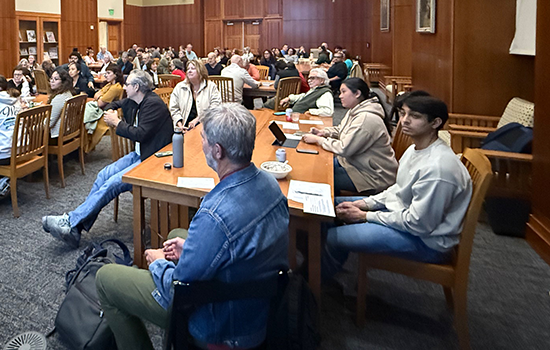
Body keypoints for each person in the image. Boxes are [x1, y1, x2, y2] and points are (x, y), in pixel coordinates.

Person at [95, 104, 290, 350]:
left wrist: (158, 264)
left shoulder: (214, 213)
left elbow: (178, 286)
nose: (202, 145)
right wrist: (189, 248)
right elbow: (237, 244)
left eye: (204, 139)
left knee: (106, 279)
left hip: (221, 325)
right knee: (177, 235)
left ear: (217, 151)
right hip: (258, 308)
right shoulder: (271, 184)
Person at [322, 94, 472, 281]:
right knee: (325, 207)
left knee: (331, 237)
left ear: (435, 123)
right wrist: (365, 203)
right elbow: (398, 189)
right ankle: (322, 268)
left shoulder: (438, 169)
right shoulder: (415, 148)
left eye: (415, 116)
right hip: (404, 214)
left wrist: (365, 215)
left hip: (426, 241)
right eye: (402, 113)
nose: (404, 121)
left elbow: (418, 224)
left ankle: (318, 283)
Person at [42, 70, 173, 247]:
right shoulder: (138, 99)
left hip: (152, 159)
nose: (124, 87)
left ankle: (71, 223)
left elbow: (140, 134)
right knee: (103, 175)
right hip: (140, 153)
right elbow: (118, 103)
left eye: (128, 84)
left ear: (136, 87)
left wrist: (117, 122)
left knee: (112, 183)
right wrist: (112, 109)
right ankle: (76, 228)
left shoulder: (152, 104)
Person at [301, 78, 397, 193]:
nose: (340, 96)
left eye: (343, 92)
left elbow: (343, 148)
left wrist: (318, 140)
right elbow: (341, 130)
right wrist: (324, 132)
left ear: (357, 93)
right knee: (315, 168)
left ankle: (330, 205)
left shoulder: (365, 119)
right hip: (355, 164)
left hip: (372, 176)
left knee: (319, 178)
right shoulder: (355, 110)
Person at [169, 59, 222, 131]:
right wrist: (179, 124)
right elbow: (173, 108)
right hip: (184, 127)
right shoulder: (179, 87)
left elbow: (215, 107)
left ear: (200, 71)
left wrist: (198, 120)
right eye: (188, 69)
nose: (189, 71)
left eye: (193, 68)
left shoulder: (210, 86)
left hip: (205, 126)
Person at [87, 65, 125, 149]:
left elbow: (100, 103)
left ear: (115, 74)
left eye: (108, 73)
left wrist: (99, 96)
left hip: (107, 113)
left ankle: (85, 146)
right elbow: (95, 95)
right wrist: (99, 96)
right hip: (100, 109)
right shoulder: (109, 85)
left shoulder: (116, 87)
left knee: (87, 120)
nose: (106, 75)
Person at [48, 68, 75, 139]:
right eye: (51, 78)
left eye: (56, 79)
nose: (52, 81)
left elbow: (49, 123)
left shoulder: (59, 98)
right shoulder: (68, 93)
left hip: (57, 136)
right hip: (68, 131)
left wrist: (32, 127)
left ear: (63, 82)